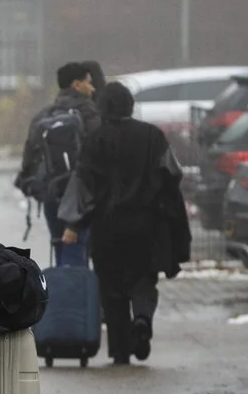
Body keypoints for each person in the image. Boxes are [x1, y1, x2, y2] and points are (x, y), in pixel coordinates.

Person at [58, 81, 191, 365]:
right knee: (144, 278)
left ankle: (120, 351)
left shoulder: (96, 139)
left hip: (107, 226)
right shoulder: (153, 136)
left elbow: (83, 184)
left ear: (103, 106)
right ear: (130, 105)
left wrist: (73, 223)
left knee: (111, 286)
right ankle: (142, 319)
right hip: (147, 223)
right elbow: (173, 173)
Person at [18, 61, 101, 266]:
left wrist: (41, 190)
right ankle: (75, 296)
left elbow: (29, 162)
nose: (93, 87)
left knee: (60, 248)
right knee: (77, 250)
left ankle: (62, 294)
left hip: (52, 196)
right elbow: (99, 156)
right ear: (76, 85)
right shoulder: (90, 114)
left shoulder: (44, 117)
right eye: (88, 83)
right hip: (82, 197)